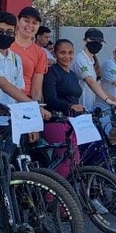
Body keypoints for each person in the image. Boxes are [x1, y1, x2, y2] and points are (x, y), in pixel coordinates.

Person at [42, 39, 84, 178]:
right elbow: (50, 99)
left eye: (70, 53)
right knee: (66, 159)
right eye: (62, 53)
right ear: (55, 53)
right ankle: (50, 198)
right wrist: (70, 106)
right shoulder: (51, 72)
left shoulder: (72, 74)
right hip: (55, 121)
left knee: (76, 160)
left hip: (72, 121)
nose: (67, 56)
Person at [70, 28, 116, 116]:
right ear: (85, 41)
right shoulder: (80, 59)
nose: (97, 43)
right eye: (93, 40)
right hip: (78, 110)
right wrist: (108, 100)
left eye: (100, 41)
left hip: (89, 111)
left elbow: (99, 88)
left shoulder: (93, 62)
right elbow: (90, 82)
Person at [9, 6, 49, 109]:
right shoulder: (3, 42)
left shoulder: (40, 53)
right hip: (2, 99)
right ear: (18, 21)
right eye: (26, 21)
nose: (30, 25)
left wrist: (37, 109)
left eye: (35, 23)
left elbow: (36, 89)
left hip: (26, 104)